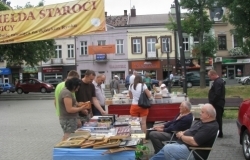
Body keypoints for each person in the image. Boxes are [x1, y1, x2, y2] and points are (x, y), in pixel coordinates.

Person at [150, 103, 219, 160]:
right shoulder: (202, 121)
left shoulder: (210, 127)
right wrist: (183, 132)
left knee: (168, 148)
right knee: (165, 150)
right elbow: (191, 129)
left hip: (193, 151)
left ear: (208, 115)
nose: (200, 113)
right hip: (184, 145)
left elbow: (194, 142)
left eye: (202, 112)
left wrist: (181, 136)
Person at [129, 75, 151, 144]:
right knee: (143, 123)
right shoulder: (143, 85)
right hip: (142, 106)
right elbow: (149, 95)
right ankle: (143, 140)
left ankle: (137, 141)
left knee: (135, 124)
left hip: (134, 106)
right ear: (141, 79)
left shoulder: (131, 86)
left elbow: (130, 97)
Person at [208, 69, 225, 138]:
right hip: (218, 103)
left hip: (217, 103)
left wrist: (212, 101)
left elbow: (217, 94)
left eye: (210, 76)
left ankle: (219, 133)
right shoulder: (218, 81)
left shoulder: (217, 82)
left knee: (218, 119)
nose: (210, 78)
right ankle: (218, 132)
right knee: (217, 118)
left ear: (213, 75)